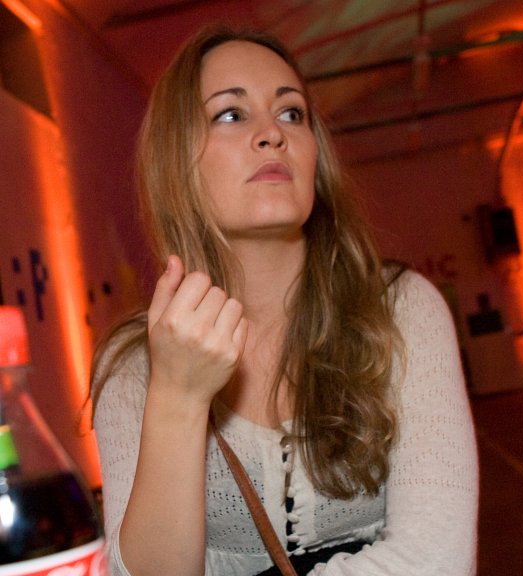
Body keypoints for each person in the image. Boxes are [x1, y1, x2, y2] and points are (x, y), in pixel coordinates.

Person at [89, 25, 478, 576]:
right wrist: (176, 396)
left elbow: (437, 561)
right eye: (231, 114)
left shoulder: (400, 309)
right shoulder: (132, 364)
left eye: (292, 113)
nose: (272, 133)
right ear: (176, 161)